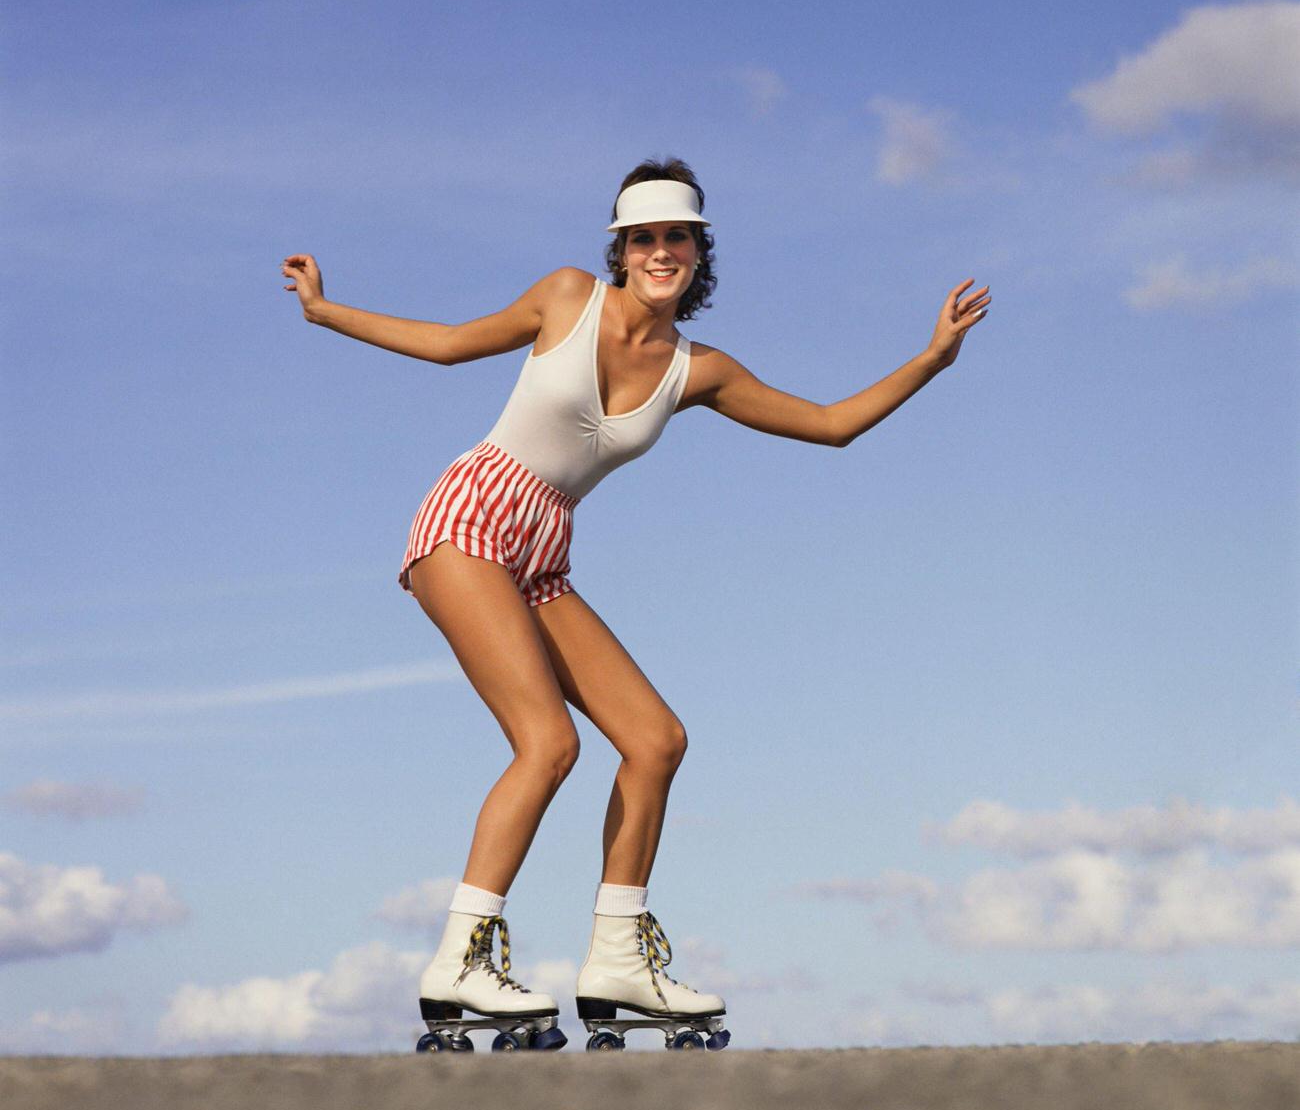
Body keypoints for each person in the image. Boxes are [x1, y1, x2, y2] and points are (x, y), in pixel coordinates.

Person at [281, 156, 990, 1049]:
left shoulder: (698, 370)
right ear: (620, 249)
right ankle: (460, 958)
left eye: (677, 237)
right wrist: (325, 309)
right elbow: (453, 340)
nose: (661, 252)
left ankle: (616, 957)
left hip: (543, 548)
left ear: (699, 250)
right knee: (548, 743)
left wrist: (932, 356)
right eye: (644, 238)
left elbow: (830, 424)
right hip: (468, 518)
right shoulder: (568, 297)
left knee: (656, 740)